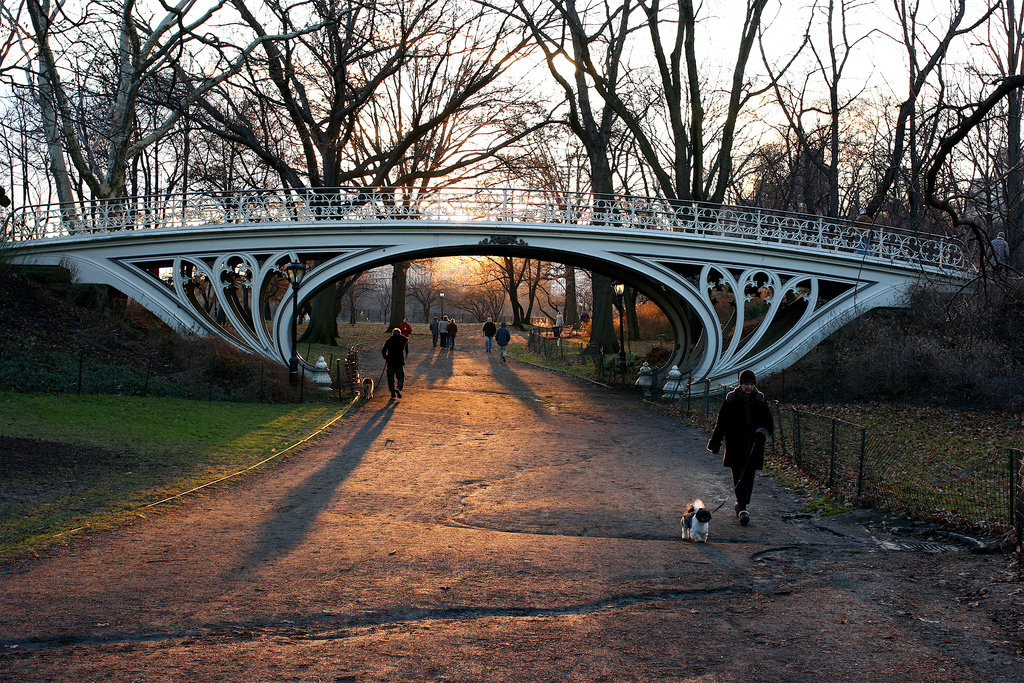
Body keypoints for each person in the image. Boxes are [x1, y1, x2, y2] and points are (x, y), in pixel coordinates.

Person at [707, 369, 774, 526]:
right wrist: (716, 441)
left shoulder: (760, 400)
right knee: (739, 476)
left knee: (749, 478)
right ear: (741, 384)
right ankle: (743, 509)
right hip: (735, 444)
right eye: (746, 384)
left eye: (751, 384)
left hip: (754, 446)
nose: (749, 387)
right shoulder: (731, 400)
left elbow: (768, 423)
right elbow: (721, 422)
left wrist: (761, 434)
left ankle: (742, 503)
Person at [381, 328, 409, 399]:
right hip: (399, 362)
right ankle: (399, 388)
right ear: (399, 333)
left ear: (392, 333)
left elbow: (383, 350)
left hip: (390, 362)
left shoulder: (389, 341)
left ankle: (393, 394)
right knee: (401, 377)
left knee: (390, 379)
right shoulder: (403, 340)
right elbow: (406, 345)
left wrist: (386, 357)